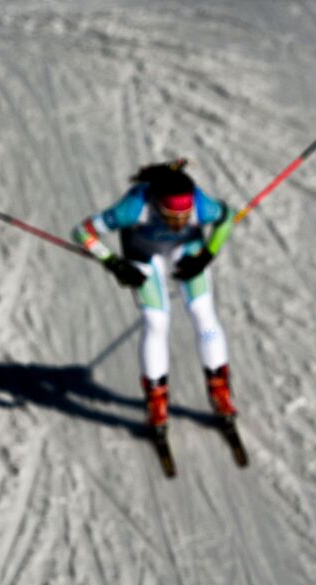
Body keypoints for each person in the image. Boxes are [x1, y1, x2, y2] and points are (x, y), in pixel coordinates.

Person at [73, 160, 238, 433]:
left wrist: (207, 255)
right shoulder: (134, 208)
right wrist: (114, 262)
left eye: (184, 217)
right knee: (155, 321)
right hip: (143, 253)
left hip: (186, 250)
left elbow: (227, 217)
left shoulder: (202, 205)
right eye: (171, 217)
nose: (177, 223)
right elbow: (83, 232)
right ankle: (156, 398)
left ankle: (220, 390)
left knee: (203, 313)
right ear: (157, 203)